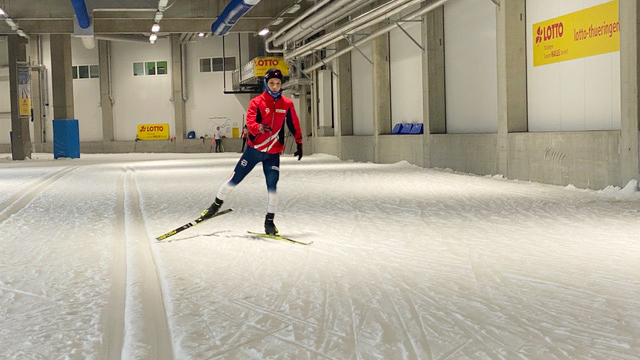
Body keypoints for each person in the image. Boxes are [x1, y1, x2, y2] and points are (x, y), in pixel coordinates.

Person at [201, 68, 303, 235]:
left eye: (278, 83)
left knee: (272, 187)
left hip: (273, 153)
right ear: (266, 83)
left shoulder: (287, 104)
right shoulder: (257, 102)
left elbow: (294, 124)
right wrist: (259, 128)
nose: (275, 86)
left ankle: (269, 222)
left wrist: (299, 143)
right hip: (254, 151)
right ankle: (214, 206)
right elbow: (250, 123)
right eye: (272, 83)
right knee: (234, 180)